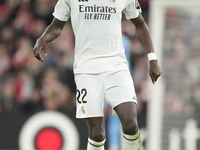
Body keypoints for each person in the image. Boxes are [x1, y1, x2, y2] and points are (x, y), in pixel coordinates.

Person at [33, 0, 162, 150]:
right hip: (86, 70)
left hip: (116, 67)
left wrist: (152, 58)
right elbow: (56, 26)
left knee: (131, 125)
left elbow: (140, 24)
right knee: (97, 133)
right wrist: (43, 37)